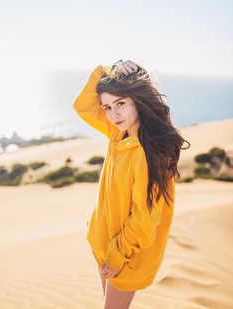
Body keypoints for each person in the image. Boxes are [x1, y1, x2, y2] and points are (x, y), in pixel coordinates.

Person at [73, 59, 190, 308]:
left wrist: (117, 254)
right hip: (103, 242)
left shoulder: (150, 153)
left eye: (121, 104)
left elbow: (145, 219)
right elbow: (82, 105)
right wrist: (108, 70)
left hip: (125, 256)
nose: (113, 114)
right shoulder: (118, 133)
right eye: (106, 107)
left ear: (137, 101)